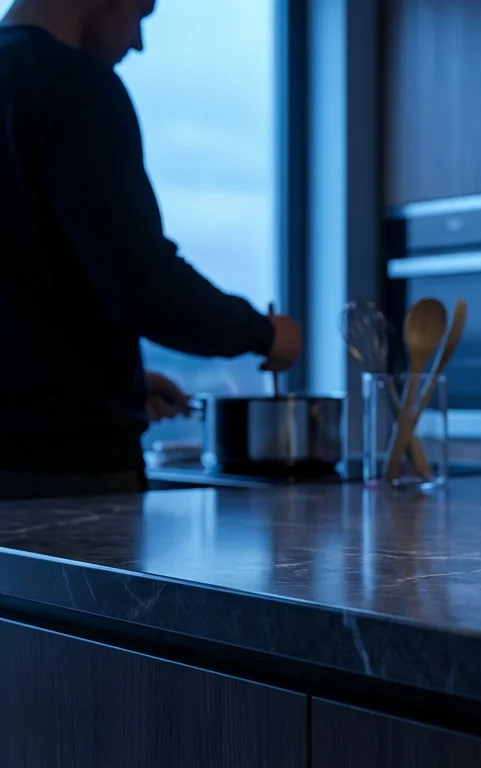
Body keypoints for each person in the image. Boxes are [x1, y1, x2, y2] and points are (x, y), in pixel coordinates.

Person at [0, 0, 302, 501]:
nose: (138, 42)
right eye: (141, 13)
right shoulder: (72, 83)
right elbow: (141, 282)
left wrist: (120, 383)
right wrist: (265, 333)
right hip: (61, 473)